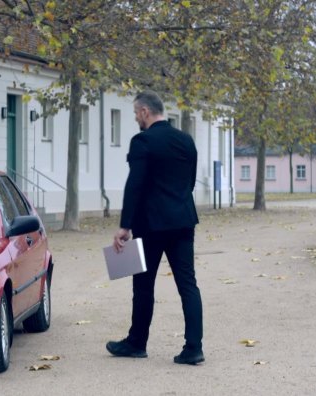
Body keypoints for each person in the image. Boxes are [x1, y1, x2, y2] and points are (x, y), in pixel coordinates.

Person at [107, 90, 204, 365]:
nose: (136, 118)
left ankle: (137, 343)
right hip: (183, 221)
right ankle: (194, 348)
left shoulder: (143, 141)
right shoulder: (186, 140)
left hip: (150, 224)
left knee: (144, 285)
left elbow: (134, 184)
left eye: (136, 113)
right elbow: (190, 181)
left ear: (145, 112)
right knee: (188, 284)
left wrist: (125, 226)